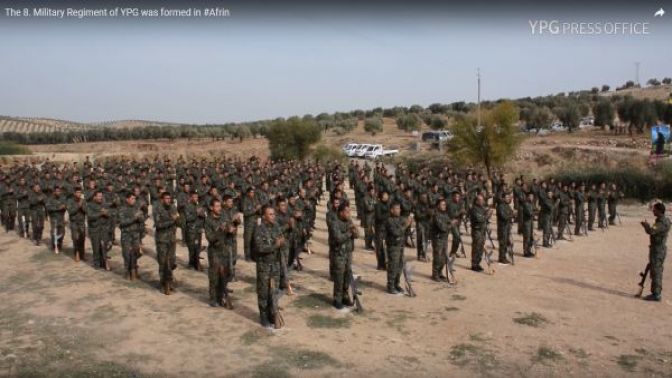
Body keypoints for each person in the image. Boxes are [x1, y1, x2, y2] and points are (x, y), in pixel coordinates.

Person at [253, 206, 285, 328]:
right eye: (270, 214)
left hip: (275, 265)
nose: (273, 216)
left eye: (273, 214)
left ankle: (272, 313)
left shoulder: (276, 226)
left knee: (274, 290)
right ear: (264, 216)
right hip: (264, 265)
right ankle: (263, 315)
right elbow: (260, 248)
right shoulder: (259, 230)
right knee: (263, 291)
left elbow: (282, 239)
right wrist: (275, 245)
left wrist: (281, 242)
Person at [204, 198, 236, 308]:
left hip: (225, 250)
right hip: (214, 251)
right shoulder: (208, 221)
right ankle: (213, 298)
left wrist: (232, 230)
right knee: (214, 276)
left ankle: (221, 295)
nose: (219, 208)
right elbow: (210, 238)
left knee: (226, 274)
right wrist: (220, 230)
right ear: (211, 208)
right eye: (216, 206)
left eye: (220, 206)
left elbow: (230, 229)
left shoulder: (224, 217)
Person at [329, 202, 358, 309]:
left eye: (349, 211)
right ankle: (337, 298)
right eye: (347, 212)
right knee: (339, 277)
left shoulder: (349, 221)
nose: (349, 214)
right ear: (341, 213)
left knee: (347, 276)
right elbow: (338, 238)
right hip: (338, 255)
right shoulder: (334, 223)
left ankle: (345, 296)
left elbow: (357, 235)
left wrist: (354, 229)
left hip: (348, 254)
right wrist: (350, 232)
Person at [640, 202, 671, 301]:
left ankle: (656, 294)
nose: (653, 211)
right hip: (658, 248)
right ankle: (656, 292)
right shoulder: (664, 220)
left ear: (659, 211)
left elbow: (651, 231)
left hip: (658, 249)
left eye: (655, 209)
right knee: (656, 270)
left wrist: (646, 225)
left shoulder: (661, 222)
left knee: (656, 271)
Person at [153, 192, 180, 295]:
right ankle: (164, 283)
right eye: (166, 198)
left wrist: (178, 219)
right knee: (163, 262)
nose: (168, 200)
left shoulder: (173, 207)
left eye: (169, 198)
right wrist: (171, 220)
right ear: (162, 199)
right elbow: (158, 225)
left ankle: (170, 280)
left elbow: (178, 221)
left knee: (172, 262)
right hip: (162, 240)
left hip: (172, 239)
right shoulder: (157, 209)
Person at [118, 192, 144, 280]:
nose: (134, 200)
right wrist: (134, 218)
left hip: (135, 235)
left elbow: (141, 221)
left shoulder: (137, 208)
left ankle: (134, 270)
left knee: (135, 253)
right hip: (126, 235)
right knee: (126, 254)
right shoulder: (122, 209)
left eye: (134, 199)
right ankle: (127, 272)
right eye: (132, 199)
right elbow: (122, 222)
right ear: (127, 199)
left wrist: (140, 218)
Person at [385, 202, 410, 294]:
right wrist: (405, 225)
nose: (399, 210)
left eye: (399, 208)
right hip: (393, 246)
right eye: (397, 208)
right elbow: (396, 232)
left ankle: (396, 283)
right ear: (392, 210)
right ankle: (390, 285)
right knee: (393, 266)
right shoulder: (389, 220)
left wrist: (409, 222)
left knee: (399, 266)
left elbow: (405, 224)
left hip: (400, 245)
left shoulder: (400, 219)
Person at [87, 190, 110, 270]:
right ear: (94, 197)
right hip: (94, 229)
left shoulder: (104, 204)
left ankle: (104, 263)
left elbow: (110, 214)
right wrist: (101, 213)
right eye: (99, 196)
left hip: (103, 229)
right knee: (96, 247)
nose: (100, 198)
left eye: (101, 196)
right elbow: (90, 216)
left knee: (104, 246)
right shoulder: (90, 205)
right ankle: (96, 264)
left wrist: (106, 213)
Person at [183, 191, 206, 270]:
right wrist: (196, 213)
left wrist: (202, 214)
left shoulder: (199, 205)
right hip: (191, 231)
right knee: (192, 248)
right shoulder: (187, 206)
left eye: (197, 197)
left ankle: (196, 264)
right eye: (194, 197)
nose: (196, 198)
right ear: (191, 198)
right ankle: (191, 264)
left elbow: (203, 217)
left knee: (197, 247)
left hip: (198, 230)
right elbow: (188, 218)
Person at [469, 194, 490, 271]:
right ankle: (474, 264)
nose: (482, 201)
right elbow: (479, 219)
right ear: (477, 201)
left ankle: (478, 263)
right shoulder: (474, 209)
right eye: (480, 200)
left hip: (482, 230)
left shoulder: (482, 208)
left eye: (483, 200)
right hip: (477, 231)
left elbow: (484, 218)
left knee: (481, 247)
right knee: (476, 247)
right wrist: (487, 215)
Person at [67, 187, 87, 262]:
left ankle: (82, 255)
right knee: (75, 239)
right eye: (77, 192)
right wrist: (78, 205)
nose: (79, 194)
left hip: (81, 222)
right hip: (74, 222)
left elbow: (87, 211)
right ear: (74, 193)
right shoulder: (70, 201)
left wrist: (82, 207)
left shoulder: (83, 201)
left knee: (82, 238)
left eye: (80, 193)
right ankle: (76, 254)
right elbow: (70, 211)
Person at [45, 186, 67, 253]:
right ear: (54, 192)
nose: (58, 192)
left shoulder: (63, 198)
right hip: (54, 218)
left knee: (62, 232)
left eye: (59, 191)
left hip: (61, 218)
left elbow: (66, 205)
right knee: (54, 233)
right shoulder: (50, 199)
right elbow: (48, 207)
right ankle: (54, 245)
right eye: (57, 191)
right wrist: (58, 208)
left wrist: (64, 207)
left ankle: (60, 244)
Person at [496, 192, 515, 264]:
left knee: (507, 242)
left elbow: (511, 214)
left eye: (509, 197)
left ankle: (504, 256)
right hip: (502, 228)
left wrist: (513, 215)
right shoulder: (500, 206)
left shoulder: (508, 206)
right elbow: (504, 217)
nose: (508, 199)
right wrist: (511, 215)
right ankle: (501, 258)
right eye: (507, 197)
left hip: (507, 227)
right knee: (502, 243)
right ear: (503, 198)